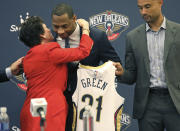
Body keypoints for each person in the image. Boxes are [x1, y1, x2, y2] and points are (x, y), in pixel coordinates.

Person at [51, 3, 121, 131]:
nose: (60, 31)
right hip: (58, 107)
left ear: (74, 19)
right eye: (56, 26)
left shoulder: (97, 37)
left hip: (88, 106)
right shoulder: (50, 38)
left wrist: (118, 71)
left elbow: (116, 65)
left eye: (65, 26)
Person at [114, 0, 180, 131]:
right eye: (140, 8)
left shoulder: (178, 31)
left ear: (160, 3)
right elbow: (131, 75)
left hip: (176, 101)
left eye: (147, 7)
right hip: (148, 105)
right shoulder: (132, 37)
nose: (143, 12)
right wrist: (122, 73)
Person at [18, 16, 93, 131]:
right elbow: (83, 51)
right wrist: (86, 28)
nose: (49, 29)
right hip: (50, 108)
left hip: (29, 109)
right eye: (46, 28)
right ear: (42, 35)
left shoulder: (27, 58)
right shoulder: (50, 52)